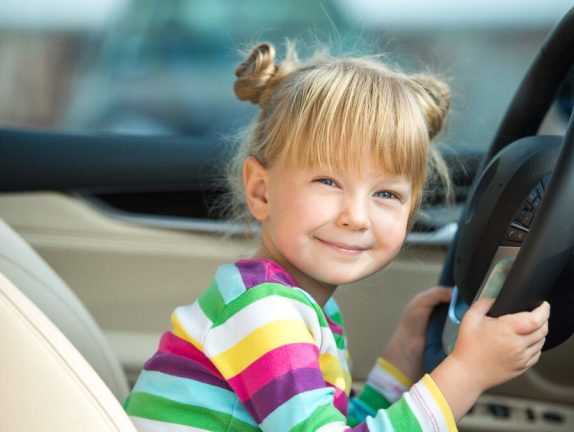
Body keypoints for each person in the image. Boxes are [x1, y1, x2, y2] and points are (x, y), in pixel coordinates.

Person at [123, 42, 550, 432]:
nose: (356, 217)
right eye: (327, 181)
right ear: (261, 191)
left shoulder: (295, 306)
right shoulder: (264, 312)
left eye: (386, 193)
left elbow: (338, 425)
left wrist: (403, 354)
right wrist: (467, 372)